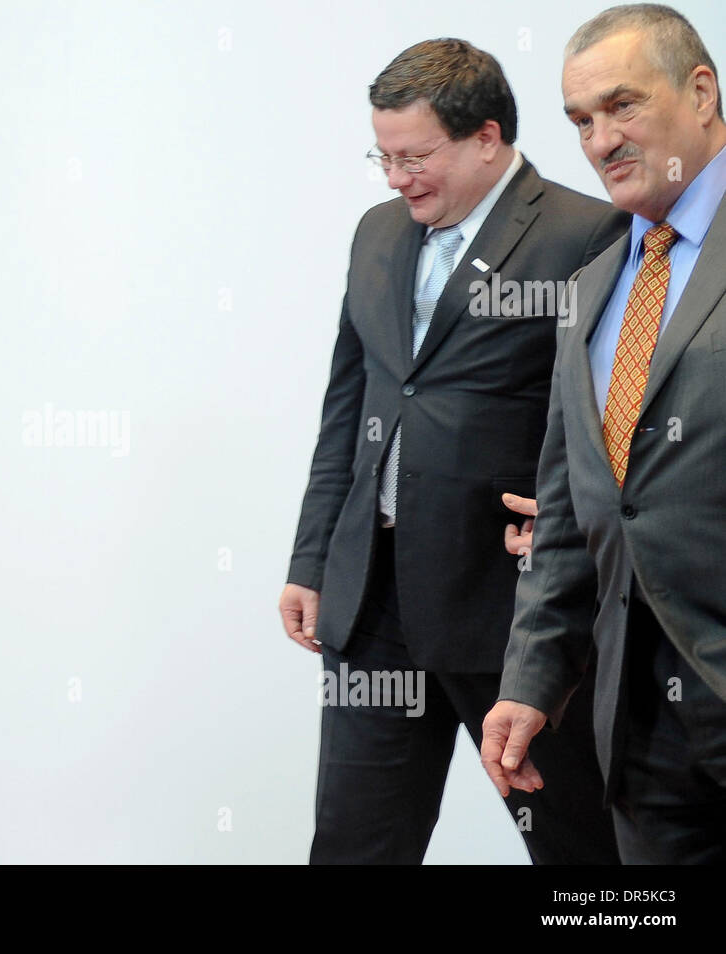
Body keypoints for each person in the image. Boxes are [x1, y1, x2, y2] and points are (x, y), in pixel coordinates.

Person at [280, 39, 629, 864]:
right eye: (384, 157)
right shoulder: (376, 234)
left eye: (415, 157)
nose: (397, 179)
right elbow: (351, 406)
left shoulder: (587, 234)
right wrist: (312, 557)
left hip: (515, 607)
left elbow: (613, 418)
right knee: (356, 843)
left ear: (487, 136)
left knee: (579, 845)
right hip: (372, 604)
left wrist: (575, 517)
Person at [483, 4, 726, 864]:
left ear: (702, 93)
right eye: (580, 120)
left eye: (622, 105)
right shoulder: (588, 291)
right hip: (639, 734)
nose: (599, 139)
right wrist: (530, 681)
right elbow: (575, 512)